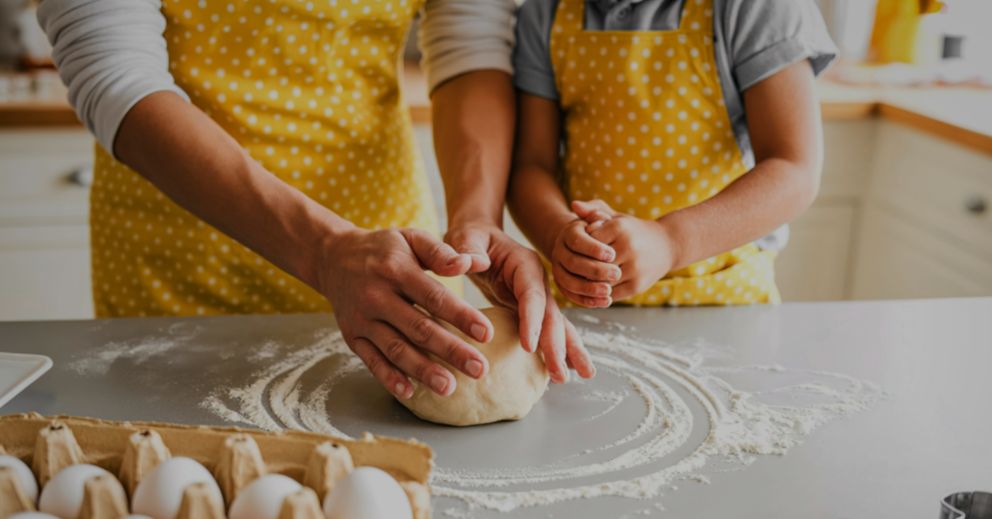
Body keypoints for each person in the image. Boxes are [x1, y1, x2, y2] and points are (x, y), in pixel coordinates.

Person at [37, 0, 595, 401]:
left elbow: (470, 39)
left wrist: (477, 218)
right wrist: (324, 250)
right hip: (181, 245)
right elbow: (112, 70)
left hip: (393, 257)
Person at [508, 0, 837, 308]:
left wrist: (670, 241)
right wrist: (559, 237)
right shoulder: (547, 11)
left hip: (726, 300)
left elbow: (794, 169)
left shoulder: (758, 7)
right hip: (585, 301)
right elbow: (531, 165)